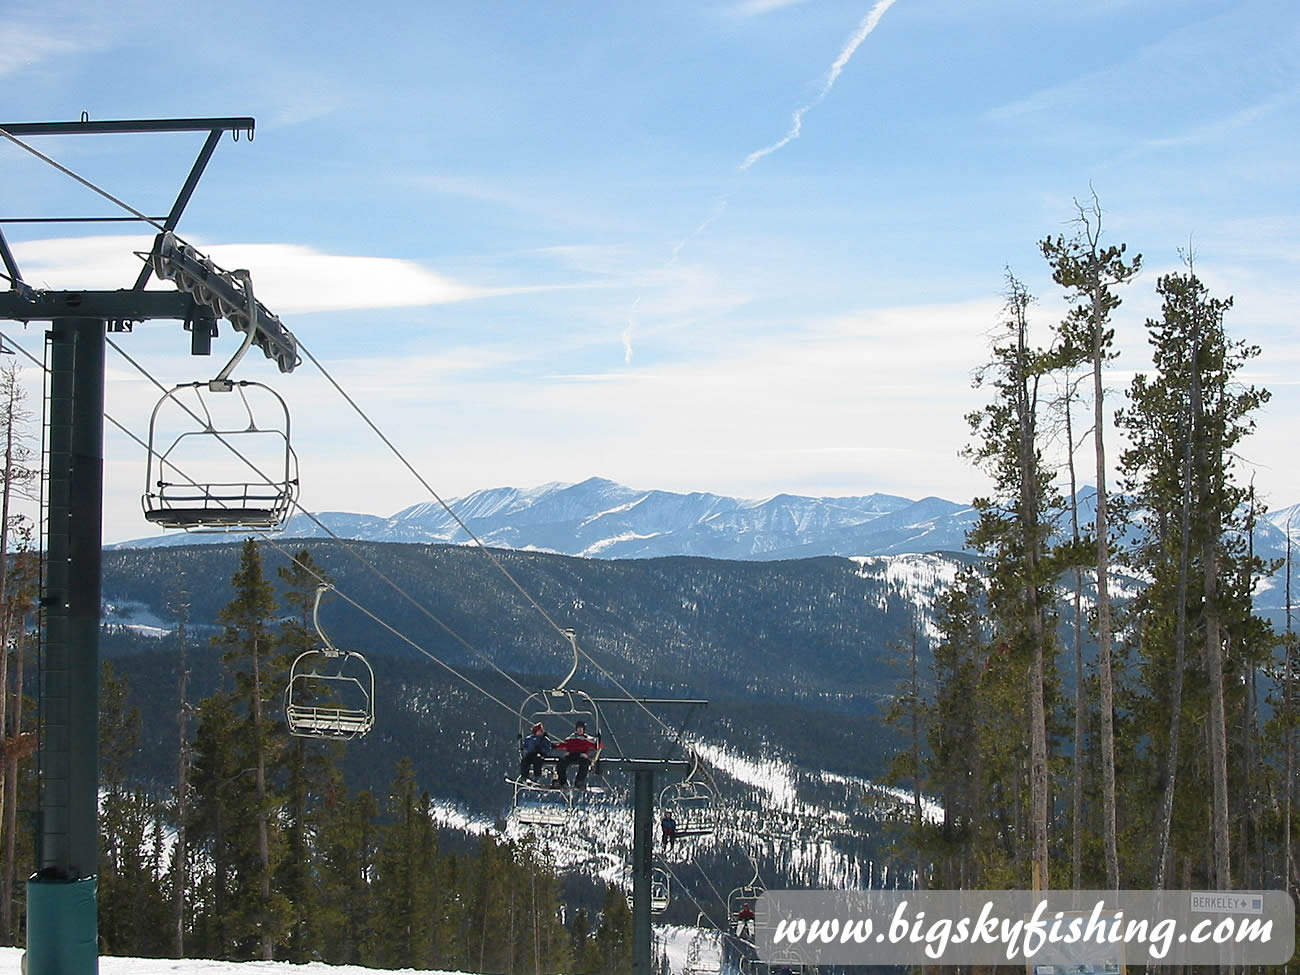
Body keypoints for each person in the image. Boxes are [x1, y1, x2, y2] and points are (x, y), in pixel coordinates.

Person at [554, 719, 600, 788]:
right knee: (561, 762)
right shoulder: (571, 738)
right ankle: (562, 782)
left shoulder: (587, 739)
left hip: (581, 755)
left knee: (585, 762)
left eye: (581, 729)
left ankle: (579, 782)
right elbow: (563, 744)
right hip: (571, 754)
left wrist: (598, 740)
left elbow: (597, 746)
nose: (580, 730)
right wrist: (554, 746)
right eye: (579, 729)